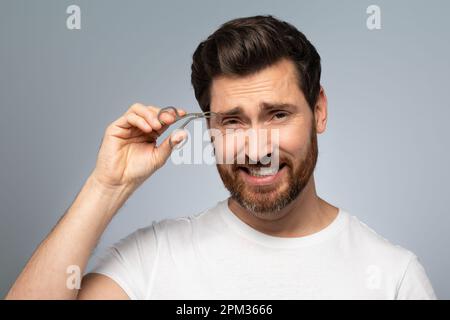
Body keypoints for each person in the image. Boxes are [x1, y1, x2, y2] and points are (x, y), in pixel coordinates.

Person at [6, 15, 436, 300]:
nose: (256, 147)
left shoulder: (393, 277)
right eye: (233, 121)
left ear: (318, 110)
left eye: (278, 114)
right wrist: (106, 187)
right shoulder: (154, 258)